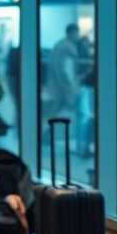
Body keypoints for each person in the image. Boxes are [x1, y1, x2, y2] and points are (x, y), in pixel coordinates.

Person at [47, 24, 82, 153]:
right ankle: (49, 134)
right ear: (71, 33)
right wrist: (67, 86)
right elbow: (61, 69)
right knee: (60, 108)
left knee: (58, 108)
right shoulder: (64, 47)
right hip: (61, 85)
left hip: (61, 85)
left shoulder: (63, 45)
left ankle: (49, 134)